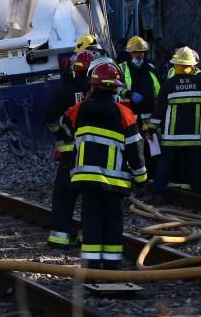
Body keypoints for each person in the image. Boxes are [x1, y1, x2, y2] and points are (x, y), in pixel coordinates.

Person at [62, 62, 147, 269]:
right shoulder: (123, 113)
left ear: (93, 86)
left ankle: (90, 266)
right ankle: (111, 267)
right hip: (114, 181)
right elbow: (135, 150)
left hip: (87, 178)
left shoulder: (81, 108)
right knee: (112, 222)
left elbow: (64, 123)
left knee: (91, 220)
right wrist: (142, 179)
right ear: (115, 87)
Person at [44, 49, 93, 247]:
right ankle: (86, 235)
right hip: (93, 153)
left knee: (64, 196)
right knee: (90, 196)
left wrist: (60, 134)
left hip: (69, 153)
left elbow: (49, 117)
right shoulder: (98, 93)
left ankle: (59, 237)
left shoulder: (65, 90)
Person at [149, 46, 201, 202]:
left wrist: (151, 128)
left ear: (177, 66)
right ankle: (200, 195)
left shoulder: (169, 84)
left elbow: (159, 110)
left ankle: (156, 194)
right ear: (191, 65)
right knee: (195, 168)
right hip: (194, 136)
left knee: (165, 167)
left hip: (172, 137)